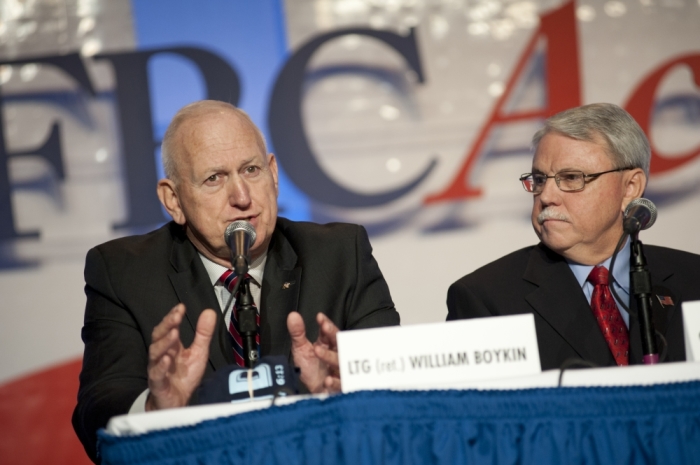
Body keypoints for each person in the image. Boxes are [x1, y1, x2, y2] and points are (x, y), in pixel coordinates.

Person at [72, 100, 400, 462]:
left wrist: (347, 391)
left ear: (273, 173)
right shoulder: (123, 272)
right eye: (214, 178)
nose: (242, 198)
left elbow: (400, 388)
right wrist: (155, 410)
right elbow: (97, 411)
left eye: (251, 169)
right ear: (173, 199)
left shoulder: (341, 254)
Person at [447, 103, 700, 371]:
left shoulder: (694, 279)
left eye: (571, 178)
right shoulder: (485, 299)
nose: (546, 196)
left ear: (630, 188)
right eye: (540, 179)